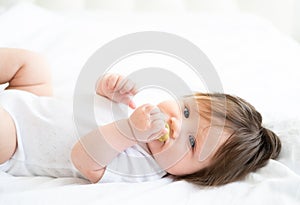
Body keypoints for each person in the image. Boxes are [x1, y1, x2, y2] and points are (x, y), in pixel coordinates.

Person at [0, 48, 281, 186]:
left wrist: (129, 131)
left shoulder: (142, 167)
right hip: (34, 101)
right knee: (32, 63)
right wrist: (108, 90)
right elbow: (88, 106)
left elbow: (83, 158)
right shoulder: (140, 114)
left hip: (17, 140)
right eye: (186, 111)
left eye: (193, 141)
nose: (177, 124)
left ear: (196, 175)